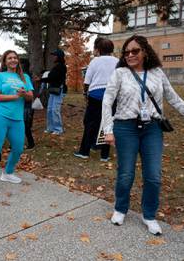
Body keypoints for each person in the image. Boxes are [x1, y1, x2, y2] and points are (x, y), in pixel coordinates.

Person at [102, 35, 184, 235]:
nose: (130, 55)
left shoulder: (156, 73)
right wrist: (108, 131)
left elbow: (173, 98)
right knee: (126, 173)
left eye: (135, 51)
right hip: (125, 127)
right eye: (127, 52)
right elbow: (107, 101)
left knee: (153, 175)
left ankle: (149, 215)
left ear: (145, 52)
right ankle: (120, 208)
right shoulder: (120, 73)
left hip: (152, 129)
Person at [0, 50, 34, 195]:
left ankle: (7, 173)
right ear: (5, 62)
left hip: (17, 118)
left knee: (18, 147)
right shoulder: (0, 76)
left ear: (18, 60)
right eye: (9, 58)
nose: (13, 60)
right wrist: (15, 96)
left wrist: (24, 94)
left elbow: (30, 97)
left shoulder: (24, 77)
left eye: (15, 58)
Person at [74, 38, 118, 161]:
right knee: (107, 123)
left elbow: (87, 81)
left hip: (96, 95)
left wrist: (85, 93)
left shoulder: (95, 61)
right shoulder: (118, 61)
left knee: (90, 124)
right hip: (112, 95)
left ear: (99, 49)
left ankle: (84, 151)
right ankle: (104, 155)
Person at [42, 49, 67, 135]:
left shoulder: (61, 66)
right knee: (49, 109)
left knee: (55, 110)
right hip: (53, 89)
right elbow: (52, 76)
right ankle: (50, 128)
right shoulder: (56, 66)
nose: (53, 57)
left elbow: (53, 78)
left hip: (59, 90)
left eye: (55, 55)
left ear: (59, 57)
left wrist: (40, 80)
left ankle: (58, 129)